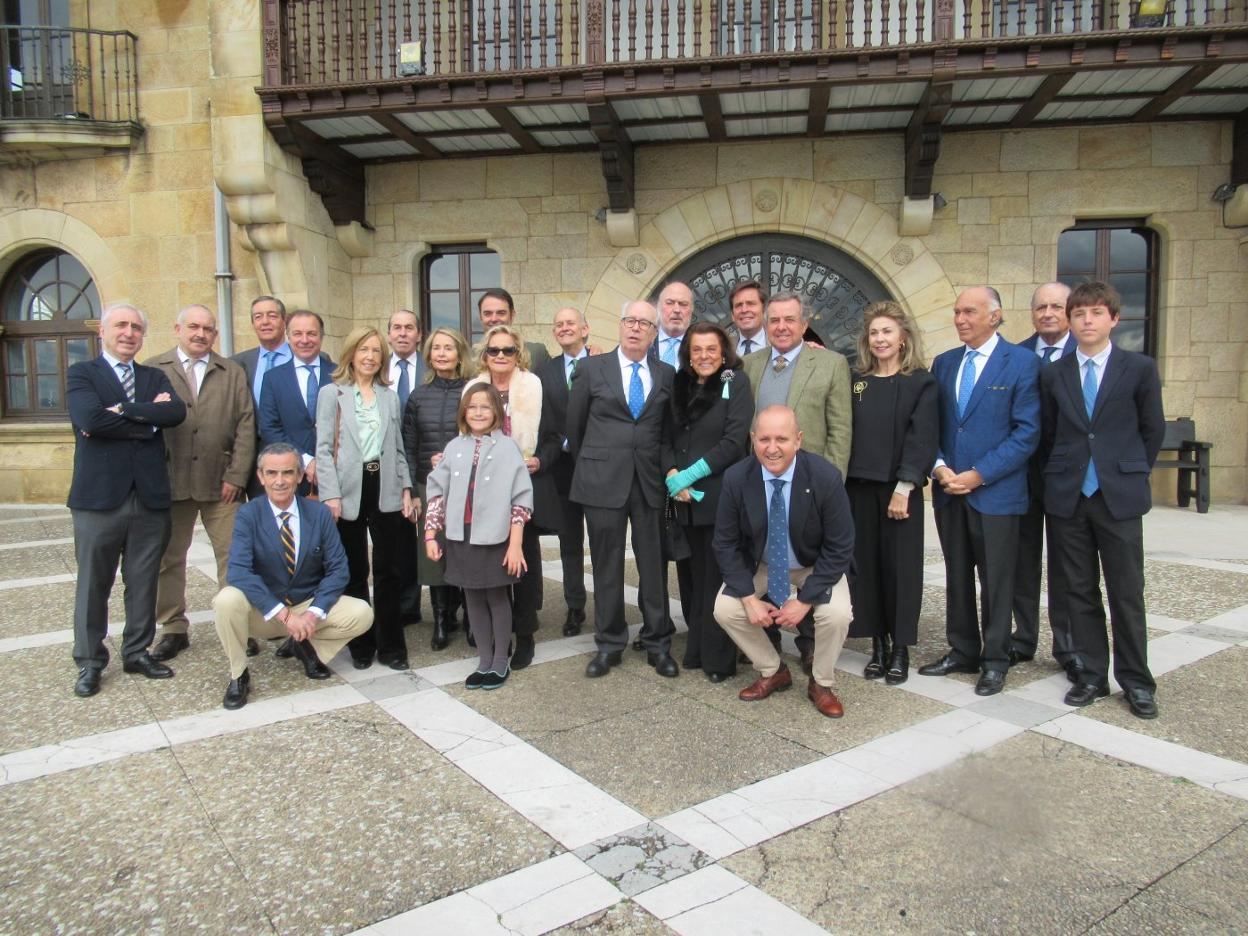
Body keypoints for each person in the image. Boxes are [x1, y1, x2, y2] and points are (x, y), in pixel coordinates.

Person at [1040, 281, 1165, 719]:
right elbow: (1050, 433)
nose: (1087, 321)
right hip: (1069, 497)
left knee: (1127, 592)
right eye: (1080, 314)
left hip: (1118, 496)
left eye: (1096, 313)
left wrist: (1126, 471)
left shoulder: (1138, 368)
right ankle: (1091, 673)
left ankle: (1136, 681)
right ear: (1070, 322)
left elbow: (1152, 430)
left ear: (1114, 318)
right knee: (1078, 591)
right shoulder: (1054, 372)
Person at [919, 286, 1040, 697]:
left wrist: (977, 474)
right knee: (956, 574)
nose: (960, 319)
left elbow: (1027, 433)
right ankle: (963, 650)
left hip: (996, 493)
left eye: (969, 311)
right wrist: (938, 467)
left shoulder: (1022, 363)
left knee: (997, 580)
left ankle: (995, 659)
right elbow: (932, 425)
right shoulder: (945, 363)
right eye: (956, 312)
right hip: (949, 491)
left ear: (995, 315)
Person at [67, 303, 187, 697]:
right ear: (102, 331)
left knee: (143, 580)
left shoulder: (154, 376)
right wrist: (145, 421)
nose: (129, 333)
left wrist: (125, 411)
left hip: (148, 498)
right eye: (121, 325)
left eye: (136, 327)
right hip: (99, 500)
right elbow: (91, 420)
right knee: (93, 582)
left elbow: (174, 414)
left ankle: (136, 651)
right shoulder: (82, 374)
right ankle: (89, 660)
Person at [712, 406, 854, 717]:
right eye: (764, 439)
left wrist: (805, 601)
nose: (772, 448)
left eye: (782, 439)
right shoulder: (737, 478)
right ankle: (773, 670)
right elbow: (725, 543)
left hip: (813, 565)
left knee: (837, 614)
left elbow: (840, 546)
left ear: (798, 440)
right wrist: (749, 599)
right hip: (762, 564)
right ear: (753, 439)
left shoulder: (824, 477)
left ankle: (821, 683)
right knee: (726, 608)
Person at [740, 290, 853, 674]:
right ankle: (767, 638)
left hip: (811, 490)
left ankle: (808, 642)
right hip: (763, 484)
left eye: (790, 320)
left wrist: (831, 487)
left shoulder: (831, 364)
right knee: (769, 558)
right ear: (765, 325)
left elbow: (840, 430)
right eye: (775, 320)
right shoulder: (749, 365)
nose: (782, 327)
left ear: (804, 325)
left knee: (807, 561)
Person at [212, 444, 374, 709]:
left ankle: (306, 646)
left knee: (362, 613)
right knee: (226, 600)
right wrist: (284, 615)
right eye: (272, 473)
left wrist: (312, 614)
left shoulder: (319, 513)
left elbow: (338, 569)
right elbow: (239, 571)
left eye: (287, 473)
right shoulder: (248, 514)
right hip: (265, 611)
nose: (279, 481)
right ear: (260, 476)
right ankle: (238, 674)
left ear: (300, 476)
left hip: (304, 604)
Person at [567, 300, 678, 679]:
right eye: (630, 320)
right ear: (620, 325)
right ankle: (610, 644)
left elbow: (666, 431)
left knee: (653, 567)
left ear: (654, 332)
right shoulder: (590, 368)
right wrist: (598, 463)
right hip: (602, 482)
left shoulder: (666, 374)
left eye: (645, 324)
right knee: (607, 567)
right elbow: (576, 428)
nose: (635, 328)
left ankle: (657, 642)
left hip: (648, 483)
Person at [147, 304, 255, 663]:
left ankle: (238, 623)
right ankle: (174, 628)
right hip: (170, 481)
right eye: (193, 327)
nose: (200, 334)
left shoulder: (232, 371)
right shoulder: (153, 369)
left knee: (234, 557)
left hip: (221, 482)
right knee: (168, 559)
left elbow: (245, 426)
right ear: (178, 329)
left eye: (208, 329)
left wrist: (237, 475)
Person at [844, 303, 938, 685]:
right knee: (864, 569)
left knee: (900, 570)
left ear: (903, 338)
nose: (880, 339)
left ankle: (900, 648)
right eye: (874, 333)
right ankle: (878, 646)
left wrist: (905, 485)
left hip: (899, 490)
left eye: (887, 332)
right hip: (858, 489)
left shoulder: (921, 382)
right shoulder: (857, 381)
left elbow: (923, 437)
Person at [316, 326, 415, 670]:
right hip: (347, 490)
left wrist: (406, 487)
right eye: (363, 350)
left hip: (384, 485)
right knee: (354, 569)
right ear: (351, 355)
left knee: (389, 570)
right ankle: (361, 644)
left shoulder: (390, 397)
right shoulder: (332, 394)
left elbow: (398, 448)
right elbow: (324, 448)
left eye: (376, 351)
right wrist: (330, 494)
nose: (370, 356)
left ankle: (391, 646)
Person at [424, 384, 534, 690]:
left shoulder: (508, 448)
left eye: (485, 407)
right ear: (463, 411)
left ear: (497, 412)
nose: (478, 412)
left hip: (497, 536)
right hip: (462, 536)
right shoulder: (453, 447)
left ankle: (500, 661)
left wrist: (515, 544)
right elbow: (436, 493)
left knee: (497, 597)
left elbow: (521, 498)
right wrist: (431, 534)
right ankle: (483, 660)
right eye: (472, 407)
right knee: (472, 598)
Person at [665, 323, 753, 681]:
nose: (703, 356)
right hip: (683, 500)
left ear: (723, 353)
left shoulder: (736, 383)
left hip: (718, 497)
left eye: (711, 349)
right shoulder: (678, 383)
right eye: (696, 349)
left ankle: (718, 659)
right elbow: (665, 435)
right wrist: (672, 474)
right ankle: (696, 648)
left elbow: (733, 442)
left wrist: (690, 475)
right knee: (690, 578)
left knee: (717, 580)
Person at [463, 324, 546, 669]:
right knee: (493, 562)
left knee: (523, 561)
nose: (500, 356)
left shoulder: (533, 386)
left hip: (524, 482)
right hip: (484, 489)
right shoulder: (473, 388)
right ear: (485, 355)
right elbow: (464, 432)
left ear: (518, 353)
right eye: (494, 350)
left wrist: (542, 459)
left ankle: (525, 634)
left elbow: (552, 431)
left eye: (508, 350)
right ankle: (500, 634)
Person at [1013, 282, 1078, 678]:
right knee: (1022, 562)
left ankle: (1068, 646)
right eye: (1041, 307)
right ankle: (1023, 638)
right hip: (1023, 476)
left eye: (1057, 306)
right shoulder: (1018, 355)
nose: (1048, 313)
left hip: (1068, 478)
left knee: (1067, 565)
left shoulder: (1083, 352)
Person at [403, 327, 473, 650]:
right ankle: (442, 619)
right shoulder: (418, 396)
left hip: (468, 483)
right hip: (429, 484)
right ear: (429, 355)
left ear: (459, 354)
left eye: (449, 348)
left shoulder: (472, 391)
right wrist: (413, 491)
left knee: (467, 547)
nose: (442, 353)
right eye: (436, 348)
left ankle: (471, 616)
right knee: (433, 552)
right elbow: (409, 444)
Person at [535, 307, 592, 636]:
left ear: (585, 329)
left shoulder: (603, 364)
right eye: (558, 324)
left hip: (598, 468)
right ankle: (575, 607)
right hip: (562, 468)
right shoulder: (545, 372)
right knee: (570, 542)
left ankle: (611, 607)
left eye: (571, 323)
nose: (564, 328)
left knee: (602, 543)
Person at [258, 310, 334, 495]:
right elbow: (269, 427)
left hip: (337, 474)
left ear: (321, 336)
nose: (305, 340)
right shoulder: (273, 378)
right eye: (297, 334)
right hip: (291, 474)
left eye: (311, 333)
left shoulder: (340, 375)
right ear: (288, 337)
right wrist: (306, 460)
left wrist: (325, 462)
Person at [387, 309, 426, 627]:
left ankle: (446, 605)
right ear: (389, 334)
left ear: (419, 335)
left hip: (425, 461)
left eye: (408, 328)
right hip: (386, 466)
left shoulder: (431, 368)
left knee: (433, 535)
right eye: (397, 328)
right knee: (398, 538)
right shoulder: (375, 367)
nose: (402, 333)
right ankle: (406, 605)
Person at [232, 296, 291, 499]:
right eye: (258, 317)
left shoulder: (307, 358)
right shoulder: (237, 364)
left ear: (284, 321)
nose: (265, 322)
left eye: (272, 315)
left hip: (298, 455)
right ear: (253, 323)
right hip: (255, 457)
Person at [477, 287, 551, 369]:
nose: (494, 319)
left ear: (512, 315)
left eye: (501, 313)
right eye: (488, 313)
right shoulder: (469, 358)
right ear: (480, 317)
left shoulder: (536, 354)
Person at [650, 281, 693, 368]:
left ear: (692, 309)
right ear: (658, 307)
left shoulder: (700, 347)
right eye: (670, 303)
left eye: (683, 304)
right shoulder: (644, 343)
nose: (677, 310)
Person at [729, 280, 768, 359]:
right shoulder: (723, 348)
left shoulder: (778, 346)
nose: (744, 310)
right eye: (738, 305)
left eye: (751, 304)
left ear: (764, 310)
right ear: (732, 315)